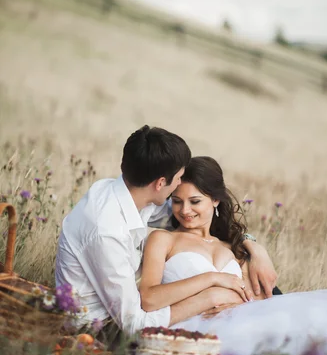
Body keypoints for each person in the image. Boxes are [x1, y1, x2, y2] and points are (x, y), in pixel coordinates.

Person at [139, 156, 327, 355]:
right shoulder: (164, 239)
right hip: (200, 326)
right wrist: (212, 281)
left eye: (195, 201)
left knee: (325, 316)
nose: (185, 210)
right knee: (303, 330)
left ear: (216, 200)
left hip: (247, 316)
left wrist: (254, 251)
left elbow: (259, 296)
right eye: (177, 201)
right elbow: (148, 298)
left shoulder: (231, 247)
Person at [55, 126, 278, 337]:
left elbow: (198, 216)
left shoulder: (130, 194)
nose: (180, 184)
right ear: (161, 183)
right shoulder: (106, 231)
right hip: (99, 328)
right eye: (179, 177)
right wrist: (212, 293)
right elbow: (134, 324)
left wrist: (254, 248)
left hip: (133, 313)